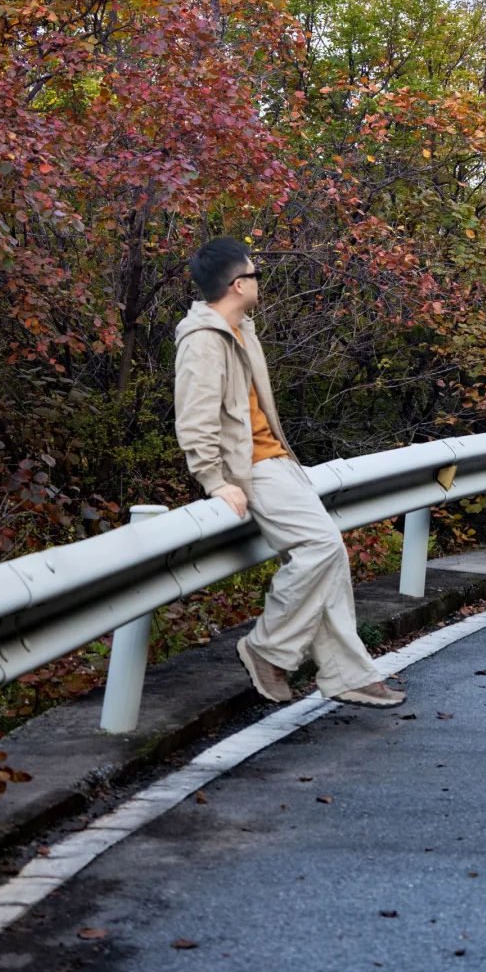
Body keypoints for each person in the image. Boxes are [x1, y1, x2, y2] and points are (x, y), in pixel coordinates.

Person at [173, 237, 404, 708]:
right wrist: (216, 481)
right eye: (255, 275)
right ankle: (267, 649)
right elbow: (193, 420)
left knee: (330, 558)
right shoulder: (203, 341)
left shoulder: (241, 330)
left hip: (278, 460)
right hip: (252, 468)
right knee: (320, 547)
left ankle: (348, 675)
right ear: (238, 285)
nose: (260, 281)